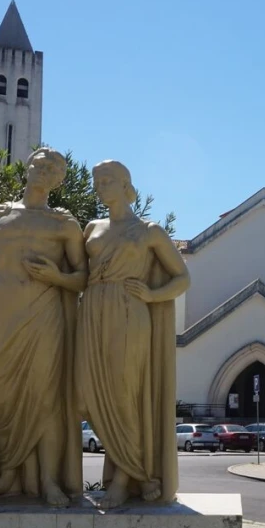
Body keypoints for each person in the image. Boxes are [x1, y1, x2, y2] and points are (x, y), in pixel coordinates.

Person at [0, 147, 86, 505]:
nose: (43, 172)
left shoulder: (64, 224)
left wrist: (56, 276)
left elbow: (82, 278)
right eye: (39, 165)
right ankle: (7, 477)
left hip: (46, 315)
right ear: (27, 169)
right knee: (2, 397)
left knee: (44, 397)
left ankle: (47, 481)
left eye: (52, 170)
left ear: (59, 181)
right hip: (1, 314)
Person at [76, 160, 191, 509]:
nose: (100, 186)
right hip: (92, 312)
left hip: (130, 313)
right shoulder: (91, 227)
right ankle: (133, 472)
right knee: (86, 395)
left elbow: (182, 278)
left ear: (125, 184)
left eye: (107, 180)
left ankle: (125, 478)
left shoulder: (149, 231)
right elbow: (79, 273)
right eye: (97, 181)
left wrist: (154, 296)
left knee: (126, 395)